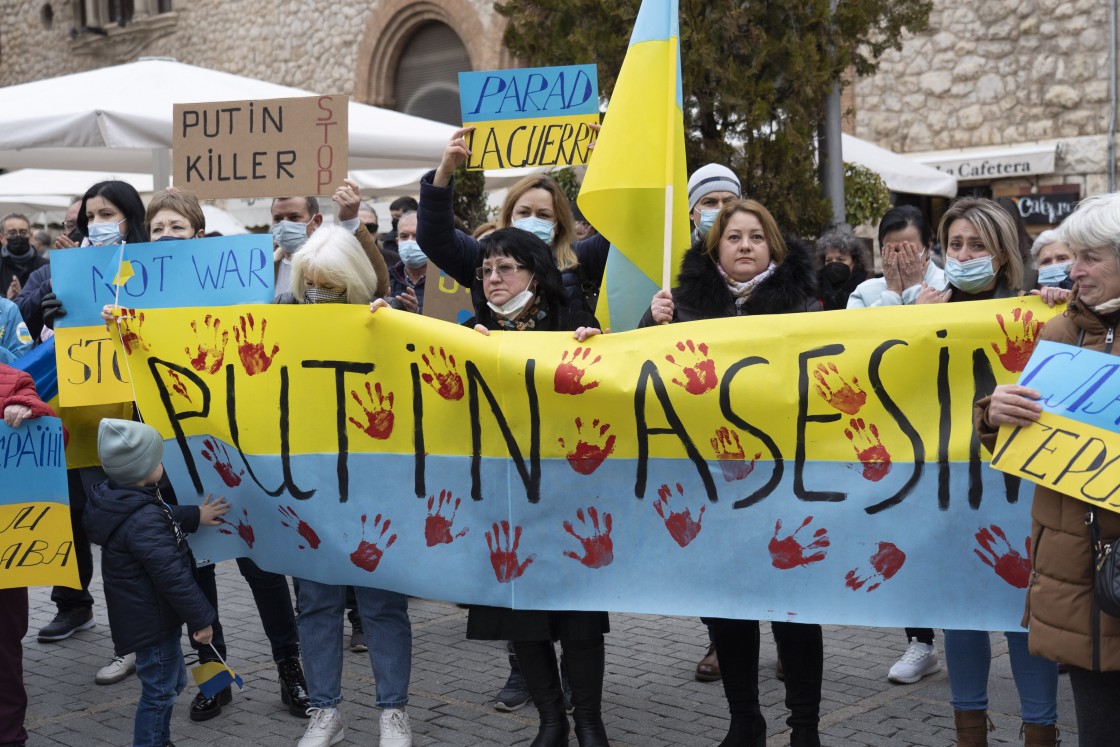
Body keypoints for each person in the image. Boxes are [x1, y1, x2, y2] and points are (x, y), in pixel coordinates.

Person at [99, 187, 312, 722]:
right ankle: (214, 677)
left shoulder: (235, 285)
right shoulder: (133, 296)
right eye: (158, 228)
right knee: (195, 575)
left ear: (197, 233)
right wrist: (113, 330)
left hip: (236, 453)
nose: (167, 236)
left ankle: (292, 672)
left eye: (177, 226)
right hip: (173, 459)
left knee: (262, 569)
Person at [641, 199, 824, 747]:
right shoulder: (684, 306)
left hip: (784, 479)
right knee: (729, 608)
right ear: (714, 247)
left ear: (774, 247)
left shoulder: (806, 308)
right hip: (712, 485)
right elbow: (636, 377)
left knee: (794, 608)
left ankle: (805, 729)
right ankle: (745, 721)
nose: (745, 246)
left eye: (756, 237)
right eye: (733, 237)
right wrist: (650, 322)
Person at [435, 227, 607, 747]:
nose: (492, 278)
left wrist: (599, 351)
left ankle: (590, 722)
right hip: (506, 500)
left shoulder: (575, 325)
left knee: (578, 620)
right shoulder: (471, 332)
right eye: (485, 270)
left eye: (505, 268)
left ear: (534, 272)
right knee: (522, 616)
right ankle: (551, 721)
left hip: (568, 497)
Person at [977, 191, 1120, 747]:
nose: (1072, 270)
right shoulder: (1060, 335)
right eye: (1071, 256)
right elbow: (1026, 439)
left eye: (1090, 257)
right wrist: (995, 414)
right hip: (1081, 578)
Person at [924, 197, 1057, 746]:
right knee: (961, 609)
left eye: (977, 245)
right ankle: (969, 732)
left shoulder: (1037, 311)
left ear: (1003, 255)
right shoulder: (919, 311)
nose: (964, 254)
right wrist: (913, 316)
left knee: (1022, 611)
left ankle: (1040, 730)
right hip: (947, 485)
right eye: (955, 244)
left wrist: (1057, 304)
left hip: (1018, 486)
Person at [283, 225, 414, 747]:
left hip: (373, 491)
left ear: (354, 283)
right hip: (309, 488)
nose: (318, 295)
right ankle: (325, 712)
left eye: (331, 285)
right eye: (310, 284)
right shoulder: (283, 322)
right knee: (316, 604)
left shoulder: (387, 324)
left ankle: (393, 712)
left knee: (382, 606)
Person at [30, 181, 145, 689]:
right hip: (74, 423)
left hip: (130, 427)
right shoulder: (60, 271)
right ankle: (75, 604)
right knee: (74, 521)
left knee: (125, 540)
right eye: (89, 216)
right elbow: (30, 335)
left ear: (130, 219)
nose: (97, 223)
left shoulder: (151, 270)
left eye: (108, 213)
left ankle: (136, 640)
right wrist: (44, 312)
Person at [844, 206, 946, 684]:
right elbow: (860, 352)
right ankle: (920, 639)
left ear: (928, 248)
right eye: (891, 249)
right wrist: (896, 297)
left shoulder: (950, 287)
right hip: (887, 438)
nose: (902, 257)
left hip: (943, 431)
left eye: (911, 248)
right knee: (904, 534)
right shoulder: (865, 294)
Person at [83, 418, 220, 747]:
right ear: (143, 469)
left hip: (150, 618)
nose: (162, 464)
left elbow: (163, 513)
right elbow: (171, 574)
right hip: (153, 622)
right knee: (159, 695)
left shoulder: (127, 498)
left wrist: (194, 515)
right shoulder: (143, 518)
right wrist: (202, 618)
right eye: (158, 460)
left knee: (170, 685)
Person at [416, 127, 610, 316]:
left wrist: (612, 160)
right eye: (524, 212)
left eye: (543, 215)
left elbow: (626, 231)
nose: (532, 220)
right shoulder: (480, 255)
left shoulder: (580, 259)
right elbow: (435, 239)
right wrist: (444, 174)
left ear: (558, 223)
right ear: (509, 216)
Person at [0, 363, 62, 747]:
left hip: (5, 551)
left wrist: (30, 411)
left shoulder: (10, 379)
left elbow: (56, 438)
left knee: (4, 654)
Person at [270, 180, 389, 299]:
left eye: (294, 217)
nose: (284, 224)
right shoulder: (261, 263)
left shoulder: (336, 255)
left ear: (316, 221)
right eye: (278, 218)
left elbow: (377, 286)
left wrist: (350, 219)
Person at [847, 205, 948, 309]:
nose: (901, 258)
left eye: (908, 250)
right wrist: (892, 294)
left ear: (928, 248)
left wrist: (913, 288)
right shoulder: (863, 293)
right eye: (893, 251)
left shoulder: (948, 286)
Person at [815, 227, 872, 310]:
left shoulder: (867, 288)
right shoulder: (814, 291)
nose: (834, 263)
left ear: (855, 261)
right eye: (828, 260)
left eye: (840, 259)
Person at [1, 213, 49, 302]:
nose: (18, 236)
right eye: (12, 233)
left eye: (23, 232)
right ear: (2, 237)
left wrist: (23, 299)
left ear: (30, 235)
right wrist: (5, 302)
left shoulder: (45, 266)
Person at [385, 211, 425, 313]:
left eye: (417, 236)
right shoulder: (386, 278)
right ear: (397, 242)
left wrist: (417, 312)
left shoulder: (445, 282)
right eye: (404, 236)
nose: (410, 242)